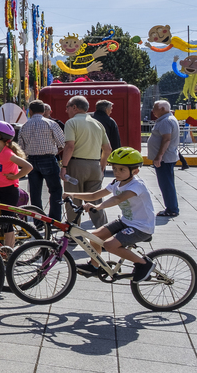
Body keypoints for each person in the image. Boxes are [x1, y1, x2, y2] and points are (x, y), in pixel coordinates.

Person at [70, 148, 157, 282]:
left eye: (122, 169)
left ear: (135, 171)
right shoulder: (116, 183)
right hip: (126, 221)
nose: (117, 172)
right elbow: (94, 195)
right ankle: (94, 266)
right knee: (93, 236)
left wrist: (98, 207)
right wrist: (73, 194)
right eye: (115, 168)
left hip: (141, 227)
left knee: (110, 245)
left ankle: (143, 264)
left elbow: (117, 199)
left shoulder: (136, 185)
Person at [61, 96, 112, 227]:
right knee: (95, 199)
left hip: (76, 165)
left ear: (74, 107)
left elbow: (69, 146)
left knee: (73, 198)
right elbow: (107, 149)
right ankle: (103, 231)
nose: (66, 110)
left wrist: (64, 166)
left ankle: (73, 232)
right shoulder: (97, 124)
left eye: (67, 107)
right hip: (95, 165)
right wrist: (101, 166)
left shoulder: (71, 123)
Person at [0, 120, 33, 249]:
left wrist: (15, 176)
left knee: (7, 222)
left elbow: (28, 167)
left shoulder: (8, 153)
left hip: (9, 191)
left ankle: (9, 252)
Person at [19, 100, 66, 221]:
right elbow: (62, 143)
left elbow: (21, 147)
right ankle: (55, 219)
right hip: (48, 159)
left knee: (35, 192)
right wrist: (54, 151)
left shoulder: (24, 126)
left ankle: (38, 220)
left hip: (31, 160)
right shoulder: (51, 123)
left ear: (31, 111)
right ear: (44, 111)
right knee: (55, 190)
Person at [147, 100, 181, 217]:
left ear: (162, 109)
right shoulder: (168, 119)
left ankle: (171, 209)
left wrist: (159, 156)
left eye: (155, 108)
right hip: (167, 157)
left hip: (165, 158)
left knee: (166, 184)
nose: (153, 110)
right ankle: (172, 207)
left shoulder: (166, 121)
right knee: (167, 183)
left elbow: (166, 139)